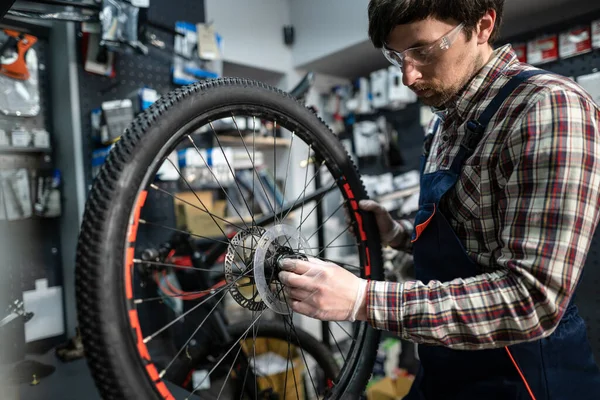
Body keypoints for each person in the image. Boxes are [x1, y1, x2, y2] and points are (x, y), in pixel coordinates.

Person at [277, 0, 600, 398]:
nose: (407, 77)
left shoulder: (548, 108)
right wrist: (397, 237)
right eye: (397, 56)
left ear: (482, 26)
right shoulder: (444, 123)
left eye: (424, 51)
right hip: (446, 369)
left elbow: (533, 300)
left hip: (526, 380)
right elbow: (467, 261)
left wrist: (363, 299)